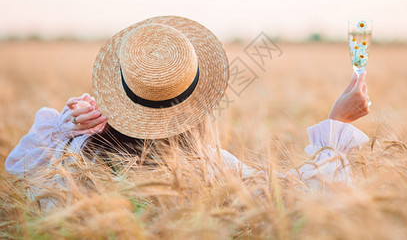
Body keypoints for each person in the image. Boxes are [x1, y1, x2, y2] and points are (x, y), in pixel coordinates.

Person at [5, 16, 370, 193]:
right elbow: (308, 193)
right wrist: (337, 122)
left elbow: (21, 171)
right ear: (198, 102)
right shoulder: (212, 171)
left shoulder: (71, 160)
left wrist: (66, 128)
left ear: (120, 86)